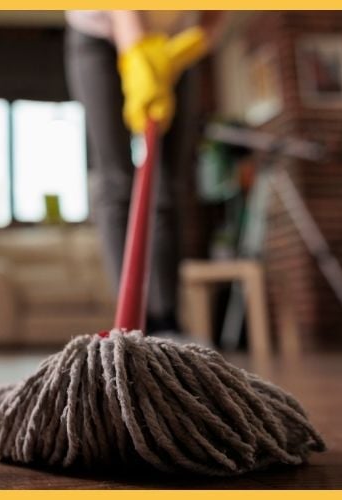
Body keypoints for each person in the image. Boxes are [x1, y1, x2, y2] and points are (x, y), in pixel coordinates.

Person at [65, 10, 227, 333]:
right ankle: (129, 324)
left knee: (170, 185)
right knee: (116, 181)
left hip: (173, 43)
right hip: (98, 31)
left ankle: (165, 318)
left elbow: (217, 13)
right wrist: (137, 54)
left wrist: (194, 42)